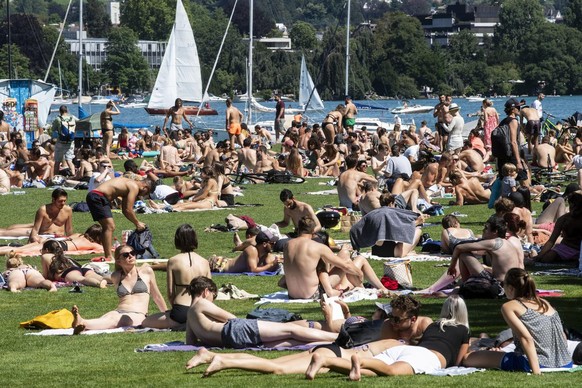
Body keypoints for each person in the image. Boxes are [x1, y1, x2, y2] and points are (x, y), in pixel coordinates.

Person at [185, 295, 433, 376]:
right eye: (391, 317)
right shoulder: (393, 330)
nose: (393, 322)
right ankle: (221, 360)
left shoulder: (421, 327)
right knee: (276, 368)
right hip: (337, 352)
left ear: (412, 319)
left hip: (334, 352)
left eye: (397, 319)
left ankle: (214, 357)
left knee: (274, 365)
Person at [305, 295, 470, 380]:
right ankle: (359, 361)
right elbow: (459, 362)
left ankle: (326, 360)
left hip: (405, 350)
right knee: (391, 371)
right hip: (427, 357)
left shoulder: (434, 325)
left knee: (377, 371)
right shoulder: (463, 329)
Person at [463, 268, 571, 374]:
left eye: (503, 285)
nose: (503, 288)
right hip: (565, 361)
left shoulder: (510, 306)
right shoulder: (544, 302)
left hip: (535, 362)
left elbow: (526, 338)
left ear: (510, 288)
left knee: (468, 358)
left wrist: (536, 371)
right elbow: (562, 335)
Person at [185, 276, 338, 347]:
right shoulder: (201, 304)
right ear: (206, 291)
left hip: (230, 341)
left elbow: (190, 342)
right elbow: (231, 318)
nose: (213, 299)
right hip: (236, 330)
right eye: (214, 295)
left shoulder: (190, 315)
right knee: (291, 329)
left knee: (279, 341)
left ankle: (326, 340)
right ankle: (338, 337)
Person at [71, 245, 167, 334]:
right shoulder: (116, 276)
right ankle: (82, 325)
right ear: (118, 261)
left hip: (138, 314)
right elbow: (102, 278)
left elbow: (157, 296)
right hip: (119, 311)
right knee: (109, 317)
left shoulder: (146, 272)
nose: (130, 256)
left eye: (132, 253)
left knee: (116, 320)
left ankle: (82, 323)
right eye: (126, 255)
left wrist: (167, 316)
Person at [144, 224, 211, 329]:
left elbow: (170, 293)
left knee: (146, 322)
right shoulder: (204, 262)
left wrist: (174, 310)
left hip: (181, 310)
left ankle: (181, 324)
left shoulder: (173, 261)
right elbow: (210, 292)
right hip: (201, 309)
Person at [280, 216, 363, 299]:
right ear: (313, 231)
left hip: (292, 295)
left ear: (298, 229)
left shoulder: (288, 245)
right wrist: (360, 273)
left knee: (331, 262)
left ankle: (362, 285)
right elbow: (346, 266)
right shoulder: (317, 247)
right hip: (312, 294)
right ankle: (362, 286)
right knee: (345, 261)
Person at [447, 215, 523, 295]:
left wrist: (452, 267)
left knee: (463, 253)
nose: (483, 231)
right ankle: (465, 284)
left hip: (500, 287)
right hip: (512, 284)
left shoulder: (494, 243)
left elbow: (458, 247)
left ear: (495, 231)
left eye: (486, 228)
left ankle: (465, 284)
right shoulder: (506, 242)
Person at [86, 177, 156, 261]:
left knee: (108, 227)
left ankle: (108, 255)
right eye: (146, 193)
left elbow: (125, 210)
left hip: (98, 196)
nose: (143, 195)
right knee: (109, 227)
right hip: (98, 196)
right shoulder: (134, 186)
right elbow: (128, 209)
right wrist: (137, 223)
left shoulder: (129, 185)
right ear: (145, 187)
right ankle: (108, 256)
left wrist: (136, 222)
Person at [534, 190, 582, 263]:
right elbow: (551, 241)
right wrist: (539, 256)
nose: (574, 210)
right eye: (572, 206)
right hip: (564, 248)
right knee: (547, 258)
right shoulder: (563, 219)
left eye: (576, 207)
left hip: (579, 249)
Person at [209, 231, 280, 273]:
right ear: (264, 244)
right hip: (219, 265)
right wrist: (271, 264)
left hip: (226, 261)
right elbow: (253, 270)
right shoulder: (252, 250)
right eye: (272, 243)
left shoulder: (264, 253)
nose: (274, 245)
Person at [51, 105, 77, 176]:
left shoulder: (58, 119)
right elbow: (77, 125)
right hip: (70, 142)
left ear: (60, 111)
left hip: (60, 142)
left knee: (57, 161)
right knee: (69, 160)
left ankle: (55, 177)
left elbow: (53, 129)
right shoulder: (72, 118)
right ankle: (73, 175)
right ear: (67, 110)